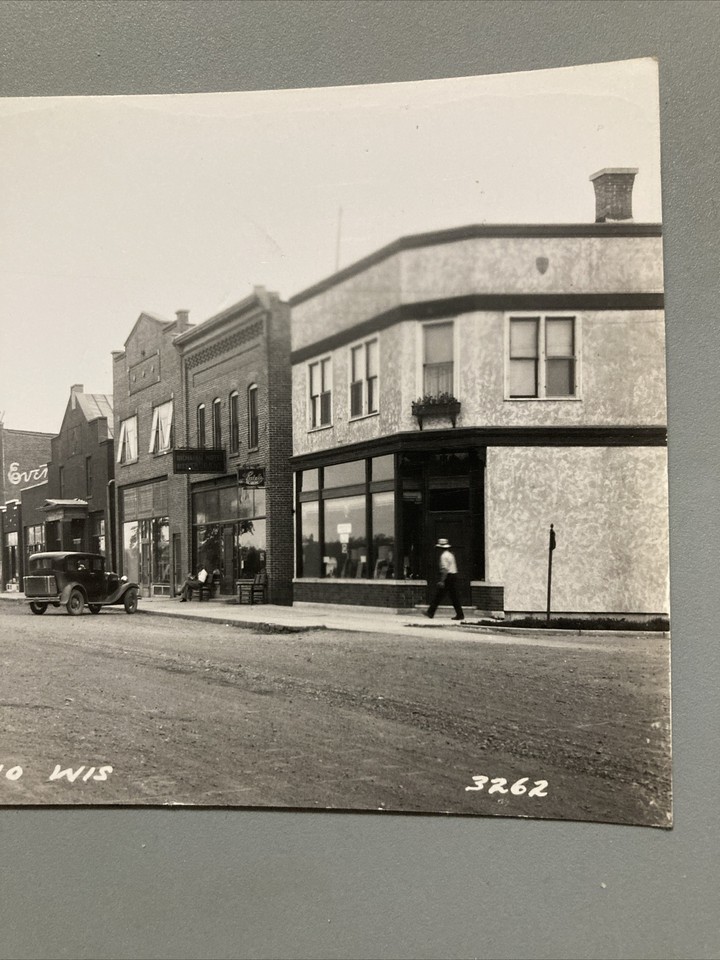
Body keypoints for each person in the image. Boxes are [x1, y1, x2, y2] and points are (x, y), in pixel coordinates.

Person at [425, 538, 464, 621]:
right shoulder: (450, 554)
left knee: (439, 595)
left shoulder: (443, 556)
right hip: (453, 575)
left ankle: (430, 612)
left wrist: (442, 581)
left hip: (448, 577)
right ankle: (460, 614)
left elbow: (445, 570)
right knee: (453, 596)